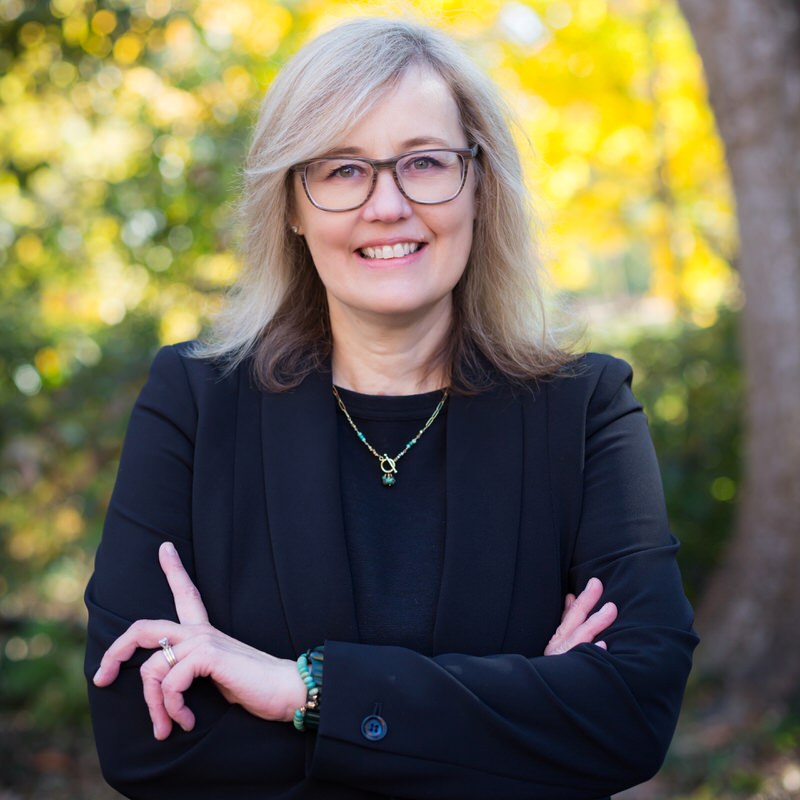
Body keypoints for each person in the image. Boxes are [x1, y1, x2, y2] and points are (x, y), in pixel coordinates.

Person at [85, 16, 698, 800]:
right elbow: (145, 745)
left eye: (425, 162)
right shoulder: (196, 406)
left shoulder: (583, 411)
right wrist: (520, 718)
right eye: (342, 170)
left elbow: (631, 714)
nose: (388, 204)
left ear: (479, 183)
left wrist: (299, 692)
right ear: (292, 207)